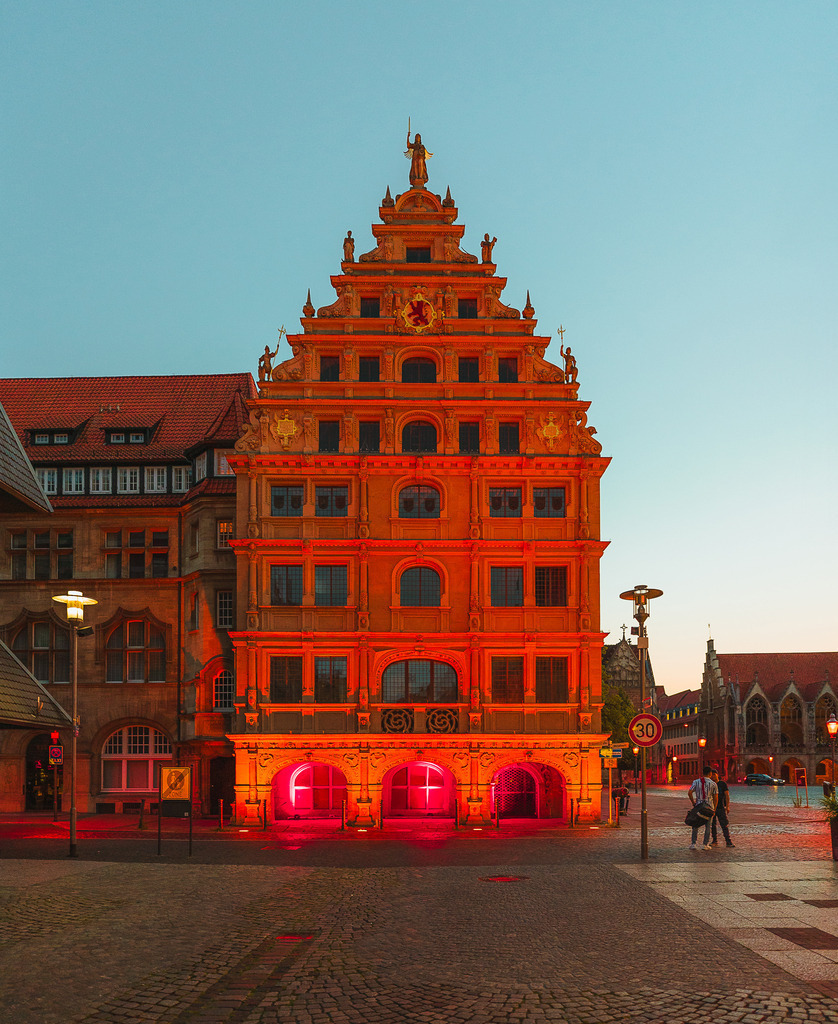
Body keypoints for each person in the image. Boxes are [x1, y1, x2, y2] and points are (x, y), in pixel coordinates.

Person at [688, 765, 718, 850]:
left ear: (703, 773)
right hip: (709, 806)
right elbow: (716, 797)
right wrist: (714, 809)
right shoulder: (713, 784)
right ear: (710, 773)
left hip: (699, 805)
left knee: (695, 824)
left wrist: (693, 802)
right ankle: (705, 844)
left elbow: (689, 792)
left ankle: (693, 844)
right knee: (708, 826)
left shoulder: (696, 782)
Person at [709, 767, 735, 847]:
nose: (713, 776)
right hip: (711, 807)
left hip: (720, 807)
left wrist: (727, 806)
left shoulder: (722, 784)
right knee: (712, 825)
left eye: (714, 774)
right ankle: (714, 840)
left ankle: (728, 841)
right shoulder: (710, 784)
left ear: (717, 775)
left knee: (724, 824)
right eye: (711, 775)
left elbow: (727, 795)